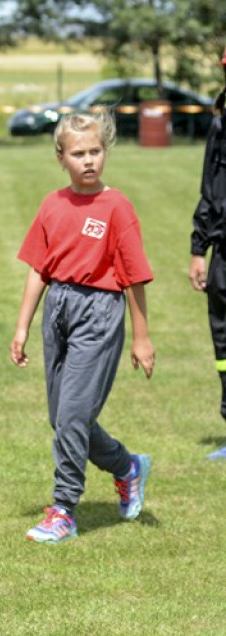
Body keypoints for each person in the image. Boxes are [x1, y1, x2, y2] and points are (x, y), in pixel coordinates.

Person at [10, 112, 154, 543]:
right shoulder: (52, 204)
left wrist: (142, 338)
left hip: (99, 311)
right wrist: (22, 327)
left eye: (95, 151)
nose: (88, 160)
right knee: (63, 419)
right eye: (78, 153)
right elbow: (38, 269)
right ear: (61, 157)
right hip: (58, 308)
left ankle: (64, 509)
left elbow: (134, 276)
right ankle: (127, 466)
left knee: (72, 415)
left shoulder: (117, 206)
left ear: (105, 151)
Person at [189, 47, 226, 459]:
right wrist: (199, 249)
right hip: (223, 258)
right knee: (224, 345)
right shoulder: (220, 125)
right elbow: (209, 192)